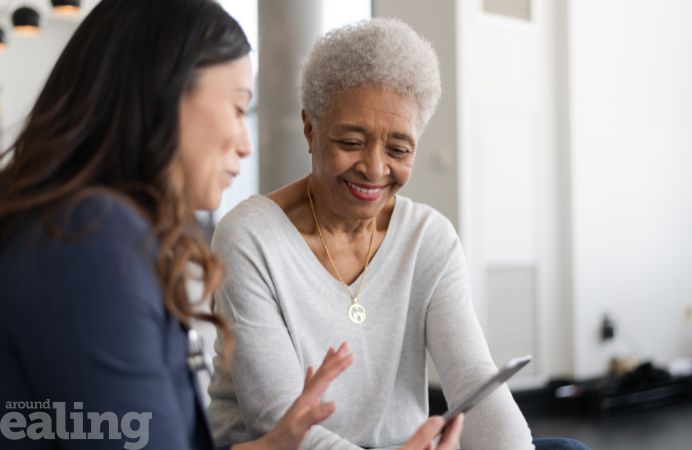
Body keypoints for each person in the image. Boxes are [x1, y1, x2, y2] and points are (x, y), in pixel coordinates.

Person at [0, 1, 465, 449]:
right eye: (239, 108)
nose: (245, 145)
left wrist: (273, 446)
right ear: (162, 97)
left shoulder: (84, 228)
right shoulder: (89, 240)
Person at [207, 18, 591, 450]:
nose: (374, 169)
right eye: (351, 142)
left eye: (398, 150)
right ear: (310, 128)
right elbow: (277, 423)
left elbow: (474, 382)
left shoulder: (429, 238)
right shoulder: (250, 237)